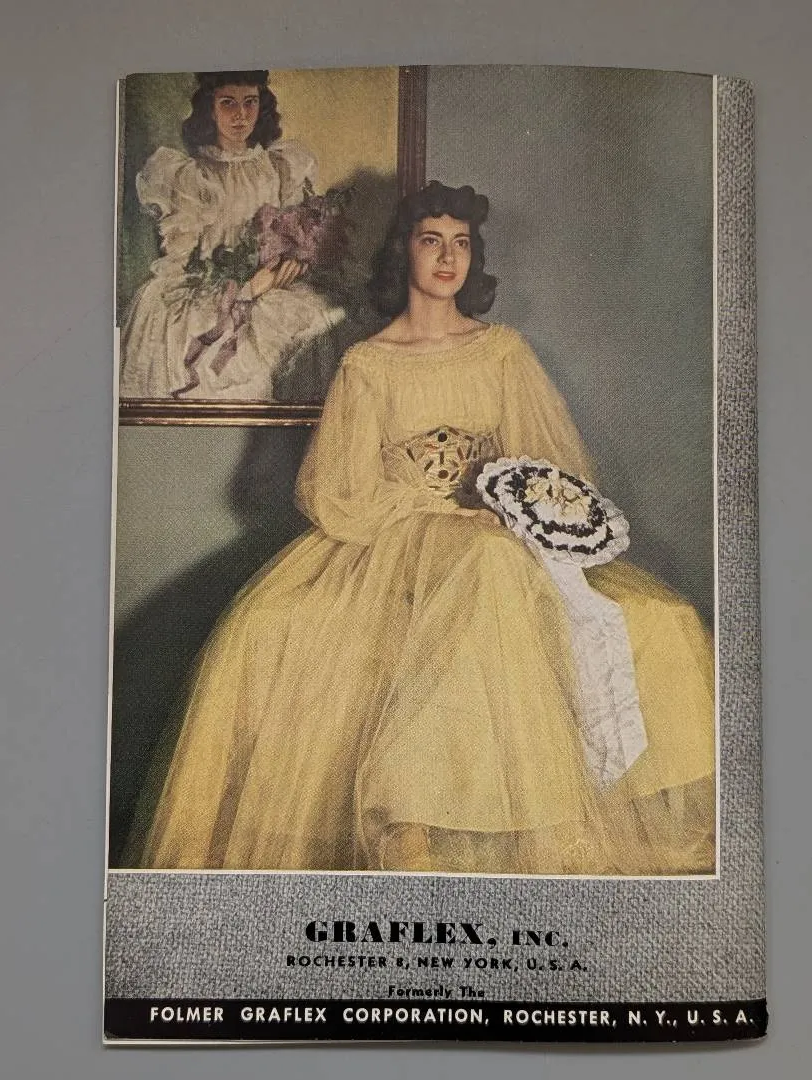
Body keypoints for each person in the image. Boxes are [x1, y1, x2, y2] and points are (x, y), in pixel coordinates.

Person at [139, 181, 715, 875]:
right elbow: (336, 489)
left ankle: (531, 829)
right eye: (431, 240)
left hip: (497, 533)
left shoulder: (502, 352)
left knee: (649, 615)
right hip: (395, 535)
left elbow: (551, 465)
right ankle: (411, 826)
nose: (448, 257)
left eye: (461, 243)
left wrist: (503, 503)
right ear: (402, 252)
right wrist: (420, 504)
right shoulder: (368, 363)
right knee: (276, 620)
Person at [119, 70, 347, 401]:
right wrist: (245, 288)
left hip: (269, 286)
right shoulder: (191, 176)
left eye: (249, 103)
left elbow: (291, 234)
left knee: (311, 320)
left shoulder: (277, 168)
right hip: (207, 290)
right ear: (209, 109)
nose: (240, 115)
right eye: (228, 103)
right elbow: (183, 263)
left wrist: (294, 260)